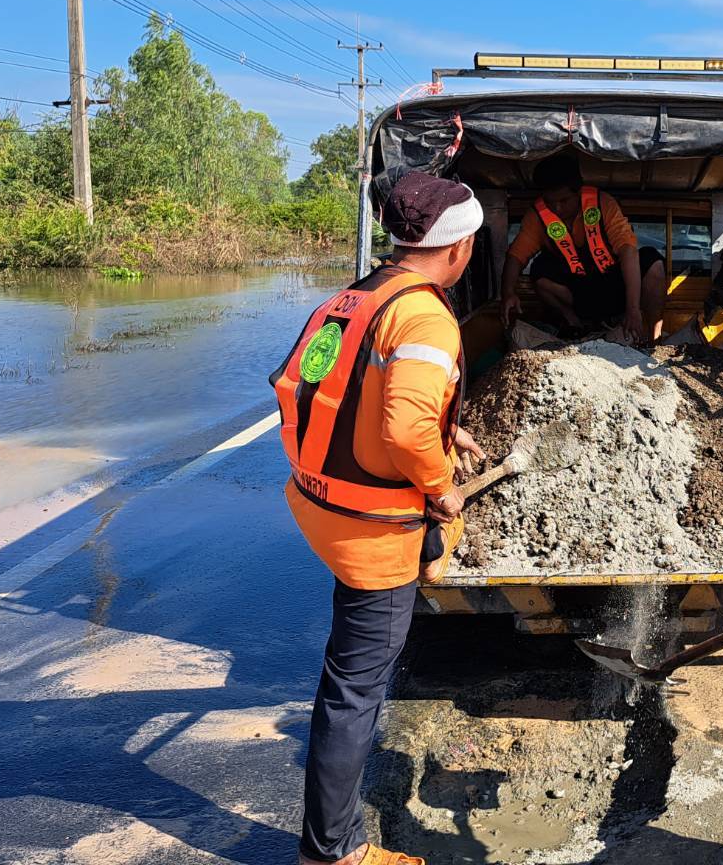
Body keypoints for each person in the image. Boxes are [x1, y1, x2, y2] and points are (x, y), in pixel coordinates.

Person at [271, 170, 488, 865]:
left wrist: (445, 428)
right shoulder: (426, 315)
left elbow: (334, 390)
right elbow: (403, 427)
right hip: (374, 528)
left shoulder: (354, 297)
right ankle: (332, 852)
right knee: (353, 692)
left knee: (349, 676)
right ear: (458, 248)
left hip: (321, 501)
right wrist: (441, 488)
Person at [498, 151, 666, 342]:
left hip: (615, 285)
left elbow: (628, 250)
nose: (557, 208)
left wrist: (633, 309)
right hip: (579, 293)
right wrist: (508, 293)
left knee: (652, 260)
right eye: (550, 202)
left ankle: (654, 338)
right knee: (540, 269)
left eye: (564, 201)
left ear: (578, 192)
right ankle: (578, 328)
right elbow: (516, 256)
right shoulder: (537, 216)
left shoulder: (603, 204)